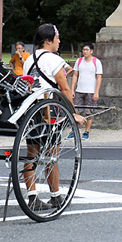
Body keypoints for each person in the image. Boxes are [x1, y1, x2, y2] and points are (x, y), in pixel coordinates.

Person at [21, 23, 85, 210]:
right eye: (57, 38)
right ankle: (56, 196)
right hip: (50, 111)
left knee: (32, 154)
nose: (59, 41)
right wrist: (73, 114)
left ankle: (32, 196)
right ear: (48, 41)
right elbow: (64, 88)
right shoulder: (54, 59)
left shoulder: (29, 59)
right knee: (52, 155)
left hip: (32, 109)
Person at [70, 42, 102, 141]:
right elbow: (75, 75)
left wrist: (96, 92)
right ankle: (74, 131)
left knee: (89, 112)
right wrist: (72, 89)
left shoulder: (96, 62)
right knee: (76, 111)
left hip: (90, 91)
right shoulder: (79, 61)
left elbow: (99, 77)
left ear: (91, 51)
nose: (85, 51)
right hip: (79, 90)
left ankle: (86, 131)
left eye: (87, 50)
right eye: (83, 50)